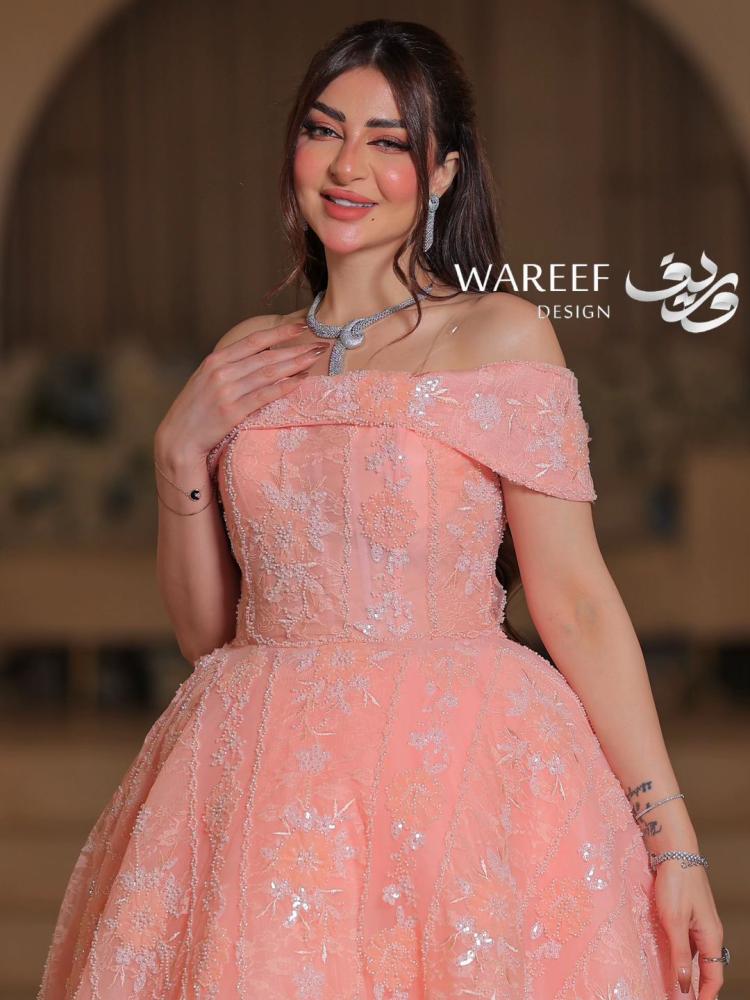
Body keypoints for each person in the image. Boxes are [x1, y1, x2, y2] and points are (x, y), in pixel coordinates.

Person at [38, 18, 727, 1000]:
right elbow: (206, 635)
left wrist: (673, 843)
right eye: (323, 130)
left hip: (457, 773)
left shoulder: (501, 335)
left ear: (443, 171)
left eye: (387, 140)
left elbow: (575, 601)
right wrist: (176, 451)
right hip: (263, 780)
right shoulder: (248, 354)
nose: (346, 166)